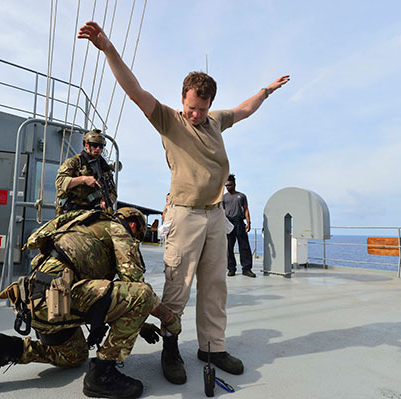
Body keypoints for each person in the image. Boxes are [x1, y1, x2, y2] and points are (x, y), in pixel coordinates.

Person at [78, 21, 290, 384]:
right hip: (184, 215)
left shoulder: (215, 122)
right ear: (183, 100)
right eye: (191, 107)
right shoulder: (170, 121)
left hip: (215, 216)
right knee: (177, 287)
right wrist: (108, 48)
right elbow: (134, 90)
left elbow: (243, 110)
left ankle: (212, 346)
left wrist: (267, 90)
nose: (196, 115)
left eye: (202, 109)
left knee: (215, 286)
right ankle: (171, 346)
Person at [0, 207, 181, 399]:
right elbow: (136, 286)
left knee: (74, 357)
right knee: (143, 294)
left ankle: (7, 348)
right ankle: (102, 375)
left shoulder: (82, 225)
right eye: (137, 236)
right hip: (57, 300)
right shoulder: (118, 229)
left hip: (36, 305)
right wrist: (169, 321)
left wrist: (138, 324)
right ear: (133, 224)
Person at [55, 129, 117, 215]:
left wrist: (109, 199)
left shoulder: (104, 167)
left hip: (96, 212)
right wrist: (83, 179)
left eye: (101, 146)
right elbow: (60, 182)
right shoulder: (75, 162)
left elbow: (113, 191)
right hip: (74, 212)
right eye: (95, 145)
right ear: (86, 145)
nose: (98, 149)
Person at [223, 174, 255, 277]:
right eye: (226, 185)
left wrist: (249, 223)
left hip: (239, 222)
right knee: (228, 247)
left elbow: (246, 209)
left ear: (234, 185)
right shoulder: (224, 198)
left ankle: (246, 269)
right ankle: (231, 268)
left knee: (244, 246)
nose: (228, 187)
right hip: (228, 222)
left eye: (229, 185)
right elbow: (221, 211)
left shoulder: (241, 196)